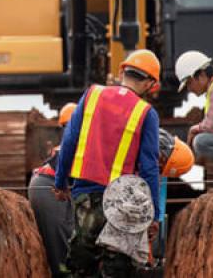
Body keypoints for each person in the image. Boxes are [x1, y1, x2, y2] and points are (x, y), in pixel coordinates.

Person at [53, 50, 162, 278]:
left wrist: (61, 182)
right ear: (151, 83)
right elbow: (149, 168)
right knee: (117, 270)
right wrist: (154, 216)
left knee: (81, 267)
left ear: (122, 71)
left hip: (87, 195)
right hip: (124, 203)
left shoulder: (92, 95)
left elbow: (69, 141)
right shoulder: (146, 112)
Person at [29, 102, 77, 277]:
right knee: (61, 246)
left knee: (65, 239)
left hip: (48, 185)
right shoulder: (72, 144)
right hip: (48, 187)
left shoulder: (71, 142)